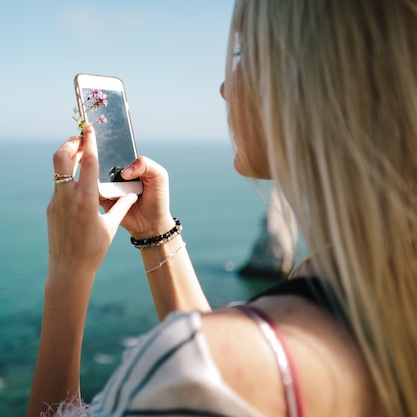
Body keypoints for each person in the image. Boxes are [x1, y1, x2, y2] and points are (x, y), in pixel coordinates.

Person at [27, 1, 417, 416]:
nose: (224, 87)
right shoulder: (381, 292)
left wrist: (69, 273)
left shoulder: (199, 367)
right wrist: (155, 234)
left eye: (242, 52)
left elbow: (210, 368)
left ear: (314, 83)